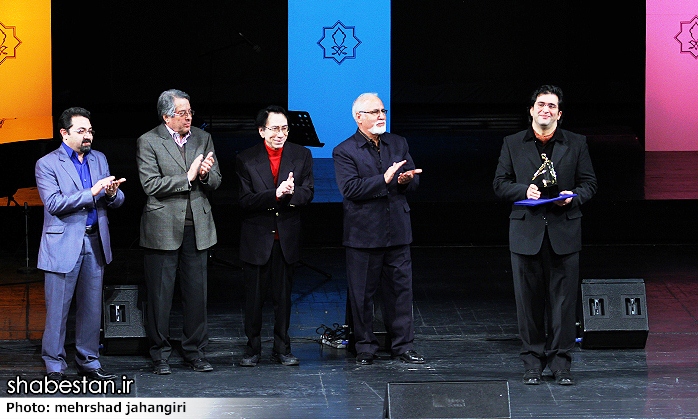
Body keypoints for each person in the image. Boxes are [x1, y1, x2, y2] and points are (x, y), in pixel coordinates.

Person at [493, 85, 598, 386]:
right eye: (541, 104)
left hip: (564, 231)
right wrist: (523, 190)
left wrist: (573, 197)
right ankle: (532, 363)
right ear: (531, 110)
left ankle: (561, 364)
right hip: (526, 233)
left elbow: (589, 184)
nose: (545, 110)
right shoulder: (512, 143)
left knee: (564, 305)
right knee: (528, 304)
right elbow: (500, 184)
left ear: (559, 114)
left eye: (552, 106)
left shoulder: (576, 143)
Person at [332, 92, 425, 366]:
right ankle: (364, 346)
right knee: (362, 295)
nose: (381, 116)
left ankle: (403, 346)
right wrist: (383, 180)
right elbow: (350, 189)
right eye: (374, 112)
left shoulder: (398, 142)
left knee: (400, 292)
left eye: (383, 110)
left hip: (397, 231)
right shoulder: (344, 150)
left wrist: (406, 180)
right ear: (358, 117)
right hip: (363, 234)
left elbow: (413, 182)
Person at [35, 107, 125, 382]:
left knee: (91, 307)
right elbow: (54, 204)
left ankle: (89, 360)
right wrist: (92, 192)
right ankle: (54, 365)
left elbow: (117, 201)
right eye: (81, 131)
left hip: (95, 241)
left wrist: (111, 194)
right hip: (63, 244)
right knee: (58, 309)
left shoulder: (99, 159)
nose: (88, 136)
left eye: (90, 131)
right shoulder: (47, 164)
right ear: (64, 133)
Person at [136, 89, 221, 375]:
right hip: (162, 228)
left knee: (197, 295)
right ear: (166, 117)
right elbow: (151, 185)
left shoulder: (202, 137)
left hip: (198, 227)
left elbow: (216, 179)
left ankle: (194, 352)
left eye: (189, 112)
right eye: (182, 113)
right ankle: (160, 354)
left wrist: (207, 175)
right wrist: (187, 178)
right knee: (160, 296)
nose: (188, 117)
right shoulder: (148, 141)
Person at [234, 105, 314, 367]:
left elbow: (308, 192)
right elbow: (245, 200)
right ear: (261, 131)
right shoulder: (246, 159)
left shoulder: (301, 155)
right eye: (274, 129)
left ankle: (282, 348)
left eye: (284, 129)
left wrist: (290, 193)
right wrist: (275, 194)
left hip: (286, 238)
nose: (280, 134)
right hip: (257, 239)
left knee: (283, 299)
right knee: (254, 300)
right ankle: (252, 348)